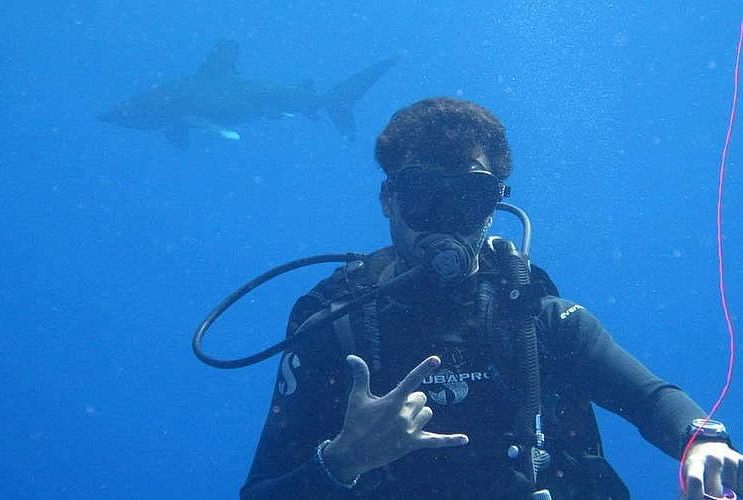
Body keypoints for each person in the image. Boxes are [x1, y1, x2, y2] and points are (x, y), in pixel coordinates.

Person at [239, 97, 741, 499]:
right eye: (421, 193)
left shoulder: (542, 319)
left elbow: (651, 399)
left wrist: (703, 442)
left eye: (468, 198)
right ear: (389, 200)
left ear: (494, 206)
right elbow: (262, 493)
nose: (443, 218)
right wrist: (344, 460)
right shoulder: (335, 328)